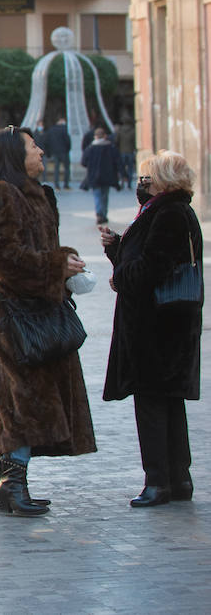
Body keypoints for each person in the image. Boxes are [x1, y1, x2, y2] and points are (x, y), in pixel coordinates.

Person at [0, 126, 95, 516]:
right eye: (33, 146)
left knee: (28, 398)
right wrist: (56, 265)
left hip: (39, 312)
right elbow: (7, 260)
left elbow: (40, 250)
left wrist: (66, 262)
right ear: (14, 154)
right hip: (13, 319)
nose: (42, 151)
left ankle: (10, 481)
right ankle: (12, 481)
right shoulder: (0, 196)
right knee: (19, 399)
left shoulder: (38, 196)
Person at [101, 151, 203, 507]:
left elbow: (151, 267)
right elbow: (147, 259)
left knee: (153, 403)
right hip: (168, 324)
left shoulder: (169, 213)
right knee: (169, 403)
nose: (141, 185)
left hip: (158, 326)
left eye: (147, 178)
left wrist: (120, 274)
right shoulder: (171, 210)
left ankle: (158, 481)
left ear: (164, 180)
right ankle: (178, 480)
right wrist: (118, 250)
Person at [80, 126, 121, 225]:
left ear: (95, 136)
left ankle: (99, 214)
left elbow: (83, 162)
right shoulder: (110, 147)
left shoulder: (90, 148)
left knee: (97, 195)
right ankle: (104, 214)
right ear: (105, 136)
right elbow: (117, 161)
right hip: (107, 175)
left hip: (94, 176)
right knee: (105, 195)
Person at [47, 118, 72, 189]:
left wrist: (50, 151)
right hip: (64, 151)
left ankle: (56, 184)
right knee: (67, 168)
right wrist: (68, 149)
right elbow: (67, 140)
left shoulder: (51, 130)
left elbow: (48, 141)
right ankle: (66, 184)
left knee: (56, 168)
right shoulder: (64, 129)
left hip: (55, 152)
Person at [115, 122, 137, 189]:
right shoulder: (133, 131)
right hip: (130, 152)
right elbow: (135, 142)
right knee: (130, 169)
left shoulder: (120, 131)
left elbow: (116, 141)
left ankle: (122, 182)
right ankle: (129, 184)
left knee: (122, 169)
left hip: (122, 152)